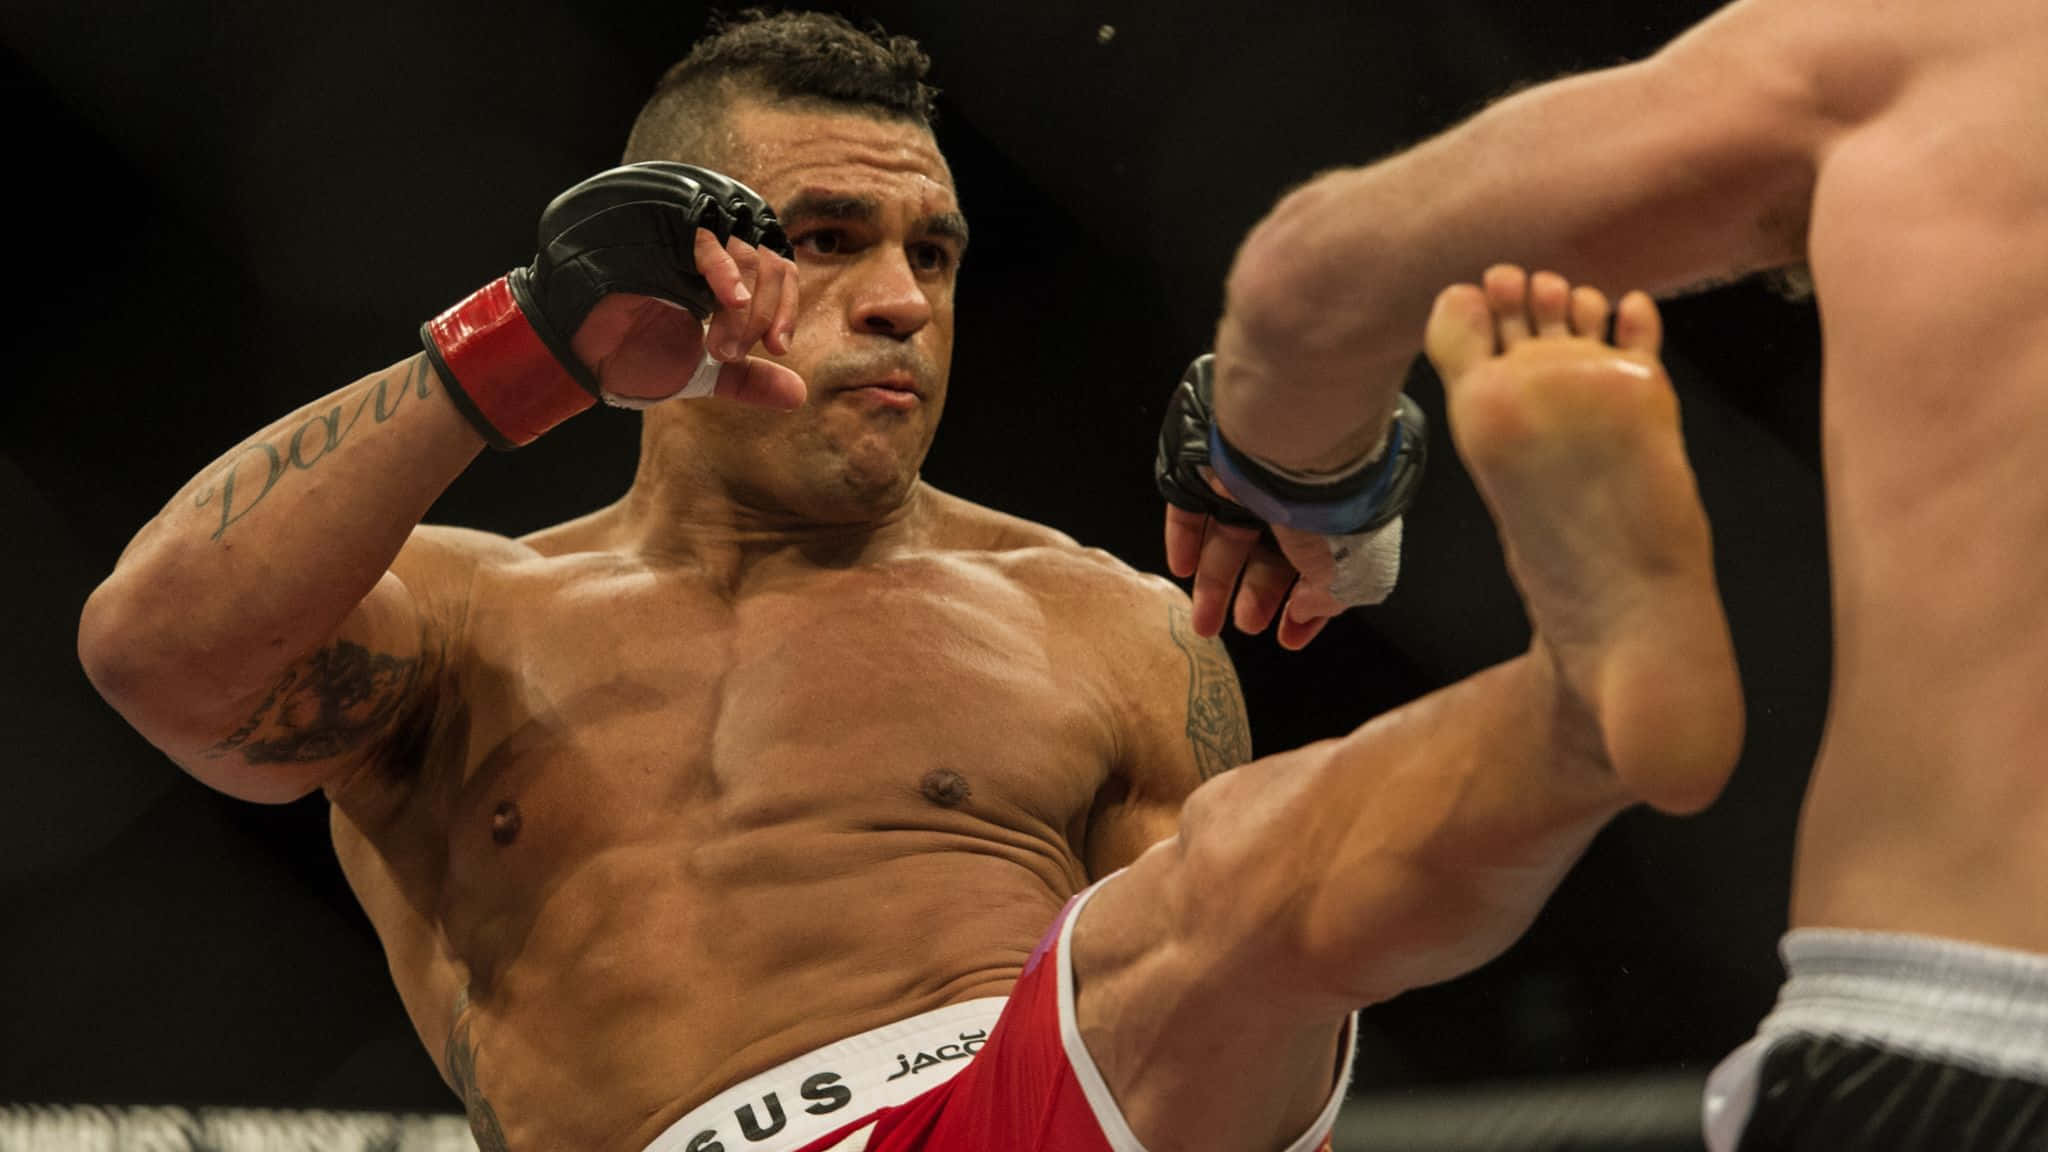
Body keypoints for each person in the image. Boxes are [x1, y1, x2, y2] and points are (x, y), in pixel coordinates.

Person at [77, 10, 1740, 1152]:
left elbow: (1238, 1050)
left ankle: (1585, 700)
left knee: (1238, 882)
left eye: (930, 253)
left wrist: (1326, 506)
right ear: (669, 265)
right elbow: (160, 655)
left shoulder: (1090, 617)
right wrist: (524, 339)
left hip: (1036, 1104)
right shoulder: (464, 617)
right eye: (822, 239)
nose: (900, 302)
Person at [1163, 0, 2048, 1146]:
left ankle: (1580, 696)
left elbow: (1310, 285)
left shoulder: (1956, 42)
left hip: (1963, 1025)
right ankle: (1586, 691)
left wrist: (1302, 486)